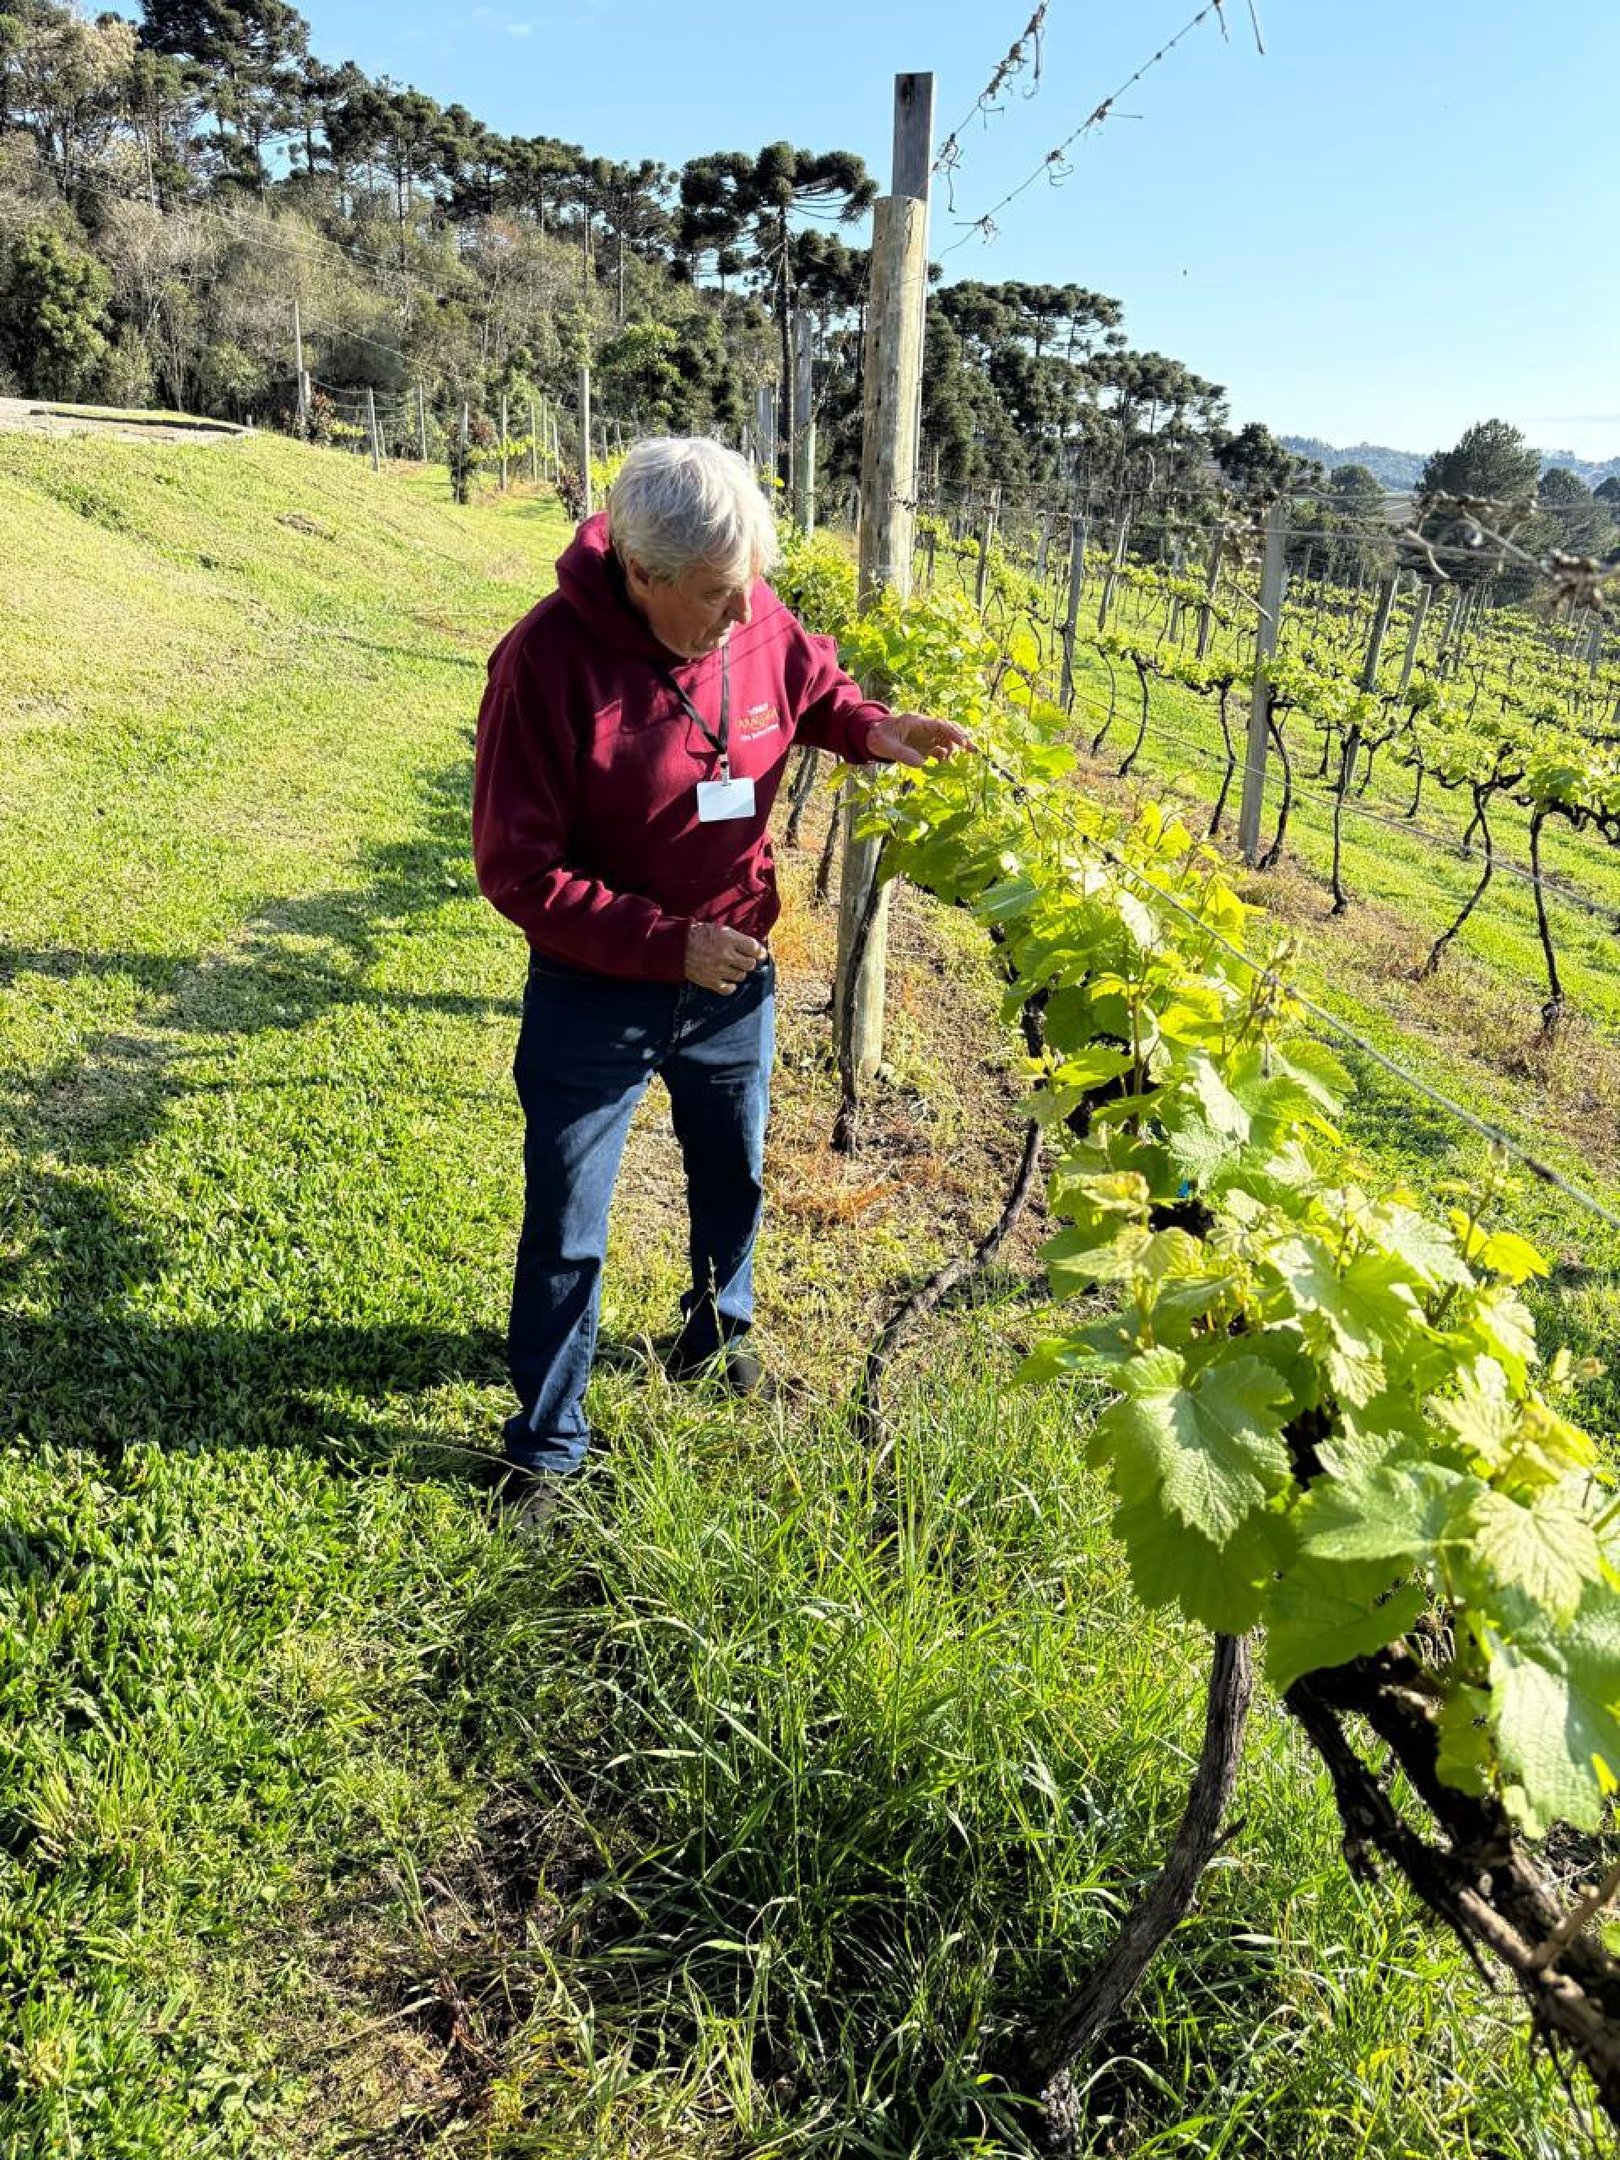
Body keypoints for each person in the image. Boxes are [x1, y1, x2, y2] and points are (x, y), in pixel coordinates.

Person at [472, 435, 971, 1522]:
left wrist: (872, 729)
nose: (739, 618)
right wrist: (659, 944)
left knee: (732, 1173)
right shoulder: (544, 664)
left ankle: (718, 1330)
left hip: (734, 976)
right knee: (568, 1220)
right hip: (595, 990)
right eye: (712, 598)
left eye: (747, 592)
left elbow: (812, 683)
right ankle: (548, 1446)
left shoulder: (748, 602)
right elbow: (516, 870)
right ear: (640, 576)